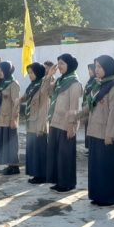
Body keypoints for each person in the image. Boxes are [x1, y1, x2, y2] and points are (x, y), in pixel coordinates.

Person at [86, 55, 114, 206]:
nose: (96, 70)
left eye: (100, 67)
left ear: (108, 67)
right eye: (96, 66)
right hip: (95, 131)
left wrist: (110, 134)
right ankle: (97, 195)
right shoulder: (98, 85)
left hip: (106, 135)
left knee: (107, 168)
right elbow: (90, 106)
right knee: (96, 168)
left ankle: (109, 197)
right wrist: (77, 114)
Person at [45, 53, 82, 192]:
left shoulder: (74, 83)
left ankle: (67, 183)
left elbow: (75, 107)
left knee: (65, 155)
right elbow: (46, 92)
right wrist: (49, 76)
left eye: (62, 63)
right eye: (58, 63)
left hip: (66, 124)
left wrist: (72, 125)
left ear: (69, 65)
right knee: (56, 155)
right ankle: (59, 181)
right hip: (55, 122)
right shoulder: (59, 81)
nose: (59, 66)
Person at [21, 62, 50, 184]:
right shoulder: (32, 86)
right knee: (33, 150)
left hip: (38, 124)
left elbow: (44, 109)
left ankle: (42, 175)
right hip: (31, 122)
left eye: (32, 73)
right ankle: (35, 174)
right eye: (29, 73)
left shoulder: (42, 86)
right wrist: (18, 100)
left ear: (38, 72)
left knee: (40, 151)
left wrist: (41, 127)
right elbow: (26, 97)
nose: (30, 75)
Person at [0, 61, 21, 175]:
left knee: (11, 143)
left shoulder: (13, 84)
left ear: (7, 71)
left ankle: (14, 166)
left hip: (9, 120)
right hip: (1, 119)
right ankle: (9, 165)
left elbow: (16, 103)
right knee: (5, 143)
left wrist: (14, 119)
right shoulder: (3, 83)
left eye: (1, 70)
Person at [83, 64, 98, 151]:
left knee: (91, 127)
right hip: (86, 106)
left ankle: (91, 147)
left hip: (91, 107)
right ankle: (88, 146)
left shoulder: (95, 81)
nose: (89, 72)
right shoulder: (90, 81)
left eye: (91, 70)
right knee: (87, 127)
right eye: (88, 70)